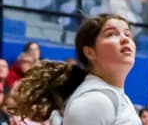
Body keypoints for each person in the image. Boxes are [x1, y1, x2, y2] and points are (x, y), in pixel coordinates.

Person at [7, 14, 140, 124]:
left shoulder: (116, 97)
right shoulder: (95, 100)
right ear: (90, 52)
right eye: (111, 34)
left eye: (128, 34)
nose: (125, 39)